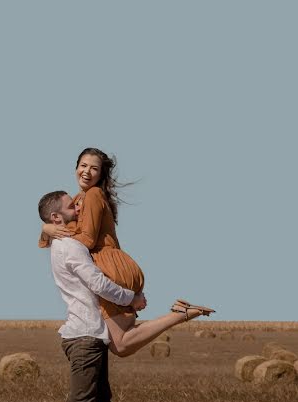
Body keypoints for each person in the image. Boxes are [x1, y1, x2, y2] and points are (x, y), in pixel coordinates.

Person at [39, 148, 213, 356]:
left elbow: (87, 239)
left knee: (120, 345)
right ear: (75, 167)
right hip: (113, 265)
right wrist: (46, 228)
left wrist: (51, 229)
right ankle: (179, 313)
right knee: (120, 342)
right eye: (83, 166)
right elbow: (59, 225)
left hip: (110, 267)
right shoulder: (79, 199)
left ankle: (180, 315)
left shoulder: (93, 195)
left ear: (101, 174)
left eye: (94, 168)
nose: (87, 171)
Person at [38, 190, 145, 402]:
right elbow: (98, 283)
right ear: (56, 217)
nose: (77, 209)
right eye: (71, 207)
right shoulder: (71, 247)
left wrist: (47, 229)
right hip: (84, 335)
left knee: (99, 401)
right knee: (82, 401)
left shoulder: (63, 242)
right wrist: (130, 299)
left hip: (92, 335)